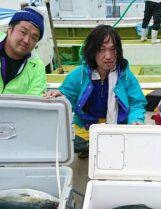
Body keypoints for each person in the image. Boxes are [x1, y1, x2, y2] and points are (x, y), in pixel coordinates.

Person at [45, 25, 147, 158]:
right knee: (71, 145)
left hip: (118, 123)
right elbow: (67, 95)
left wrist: (135, 120)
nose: (108, 56)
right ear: (92, 51)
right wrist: (60, 96)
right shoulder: (78, 74)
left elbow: (136, 102)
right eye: (101, 50)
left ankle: (97, 144)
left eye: (113, 49)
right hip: (86, 125)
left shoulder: (126, 76)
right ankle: (90, 146)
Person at [0, 6, 46, 95]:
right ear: (10, 29)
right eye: (23, 32)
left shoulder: (37, 68)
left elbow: (33, 105)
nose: (26, 40)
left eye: (34, 37)